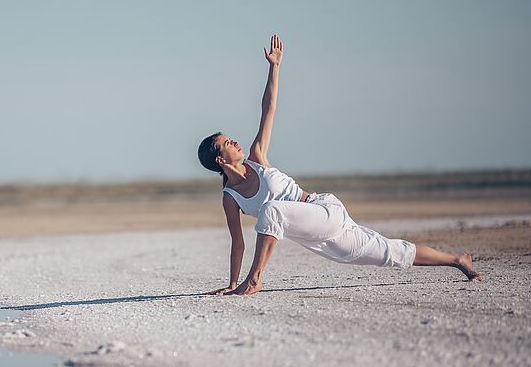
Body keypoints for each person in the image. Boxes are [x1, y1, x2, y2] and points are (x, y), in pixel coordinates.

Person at [197, 34, 481, 296]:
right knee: (390, 252)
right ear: (220, 161)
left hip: (323, 209)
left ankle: (255, 280)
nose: (235, 142)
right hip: (314, 235)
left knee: (271, 210)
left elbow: (268, 108)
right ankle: (458, 260)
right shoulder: (230, 198)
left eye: (231, 138)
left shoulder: (257, 157)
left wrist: (275, 67)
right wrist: (231, 283)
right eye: (227, 143)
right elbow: (238, 242)